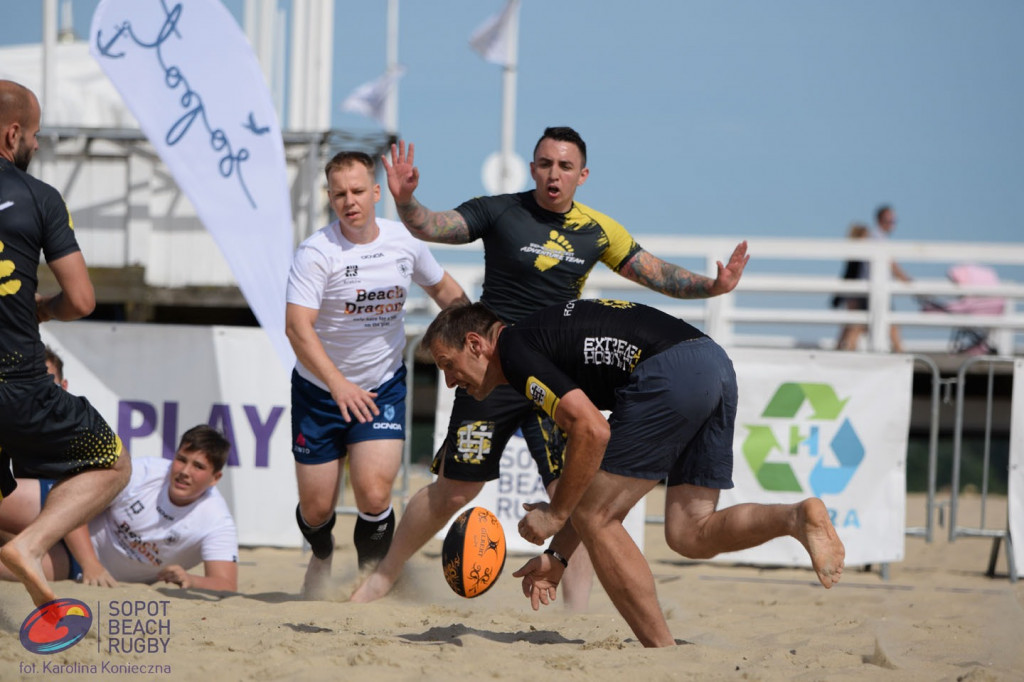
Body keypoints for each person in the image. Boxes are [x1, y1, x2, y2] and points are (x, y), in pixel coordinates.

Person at [351, 126, 750, 607]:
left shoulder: (598, 230)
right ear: (532, 167)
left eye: (564, 166)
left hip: (557, 373)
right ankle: (383, 577)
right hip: (491, 369)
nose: (552, 174)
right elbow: (433, 226)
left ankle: (573, 610)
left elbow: (655, 272)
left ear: (581, 175)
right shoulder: (500, 210)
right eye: (544, 163)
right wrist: (408, 202)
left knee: (576, 496)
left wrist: (713, 285)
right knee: (455, 489)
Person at [422, 300, 845, 647]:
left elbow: (592, 430)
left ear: (476, 344)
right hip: (712, 364)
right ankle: (796, 517)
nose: (448, 381)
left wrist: (554, 515)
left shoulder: (515, 352)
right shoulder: (531, 339)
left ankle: (663, 655)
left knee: (595, 517)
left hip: (670, 371)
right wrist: (558, 556)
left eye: (447, 364)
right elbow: (590, 462)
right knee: (689, 532)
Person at [285, 150, 468, 598]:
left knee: (372, 493)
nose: (350, 202)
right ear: (330, 198)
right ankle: (322, 553)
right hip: (319, 391)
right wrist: (337, 383)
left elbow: (447, 292)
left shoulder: (403, 242)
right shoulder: (316, 252)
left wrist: (485, 336)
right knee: (315, 509)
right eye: (340, 194)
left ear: (376, 192)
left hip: (381, 386)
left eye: (358, 192)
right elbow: (296, 327)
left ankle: (370, 580)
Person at [0, 79, 131, 607]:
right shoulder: (39, 197)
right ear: (13, 134)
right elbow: (81, 298)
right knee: (110, 460)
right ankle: (29, 546)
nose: (35, 145)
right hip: (17, 380)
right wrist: (44, 308)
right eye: (34, 136)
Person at [0, 425, 238, 591]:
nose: (185, 472)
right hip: (72, 526)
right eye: (182, 459)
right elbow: (77, 505)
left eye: (198, 466)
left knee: (8, 567)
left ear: (215, 478)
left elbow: (226, 584)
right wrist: (91, 563)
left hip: (72, 563)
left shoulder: (216, 521)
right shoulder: (145, 472)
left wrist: (190, 580)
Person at [872, 205, 912, 352]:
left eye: (893, 221)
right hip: (877, 289)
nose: (891, 224)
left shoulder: (876, 237)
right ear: (879, 220)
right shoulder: (877, 238)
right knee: (892, 324)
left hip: (876, 289)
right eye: (888, 221)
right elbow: (891, 264)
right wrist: (906, 279)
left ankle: (900, 351)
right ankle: (900, 352)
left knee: (855, 325)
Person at [832, 223, 870, 350]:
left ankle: (839, 349)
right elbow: (850, 275)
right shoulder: (857, 254)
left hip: (853, 295)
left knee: (850, 326)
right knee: (855, 326)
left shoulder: (854, 254)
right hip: (855, 296)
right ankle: (849, 351)